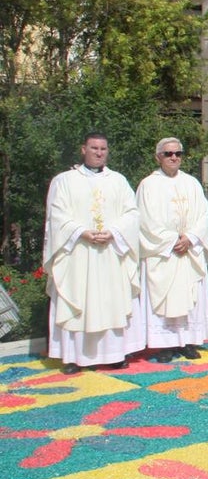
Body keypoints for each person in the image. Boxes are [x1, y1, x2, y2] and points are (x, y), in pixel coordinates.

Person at [44, 132, 143, 374]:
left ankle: (114, 353)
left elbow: (132, 214)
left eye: (103, 149)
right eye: (94, 148)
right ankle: (73, 357)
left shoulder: (118, 181)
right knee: (78, 300)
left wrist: (114, 232)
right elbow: (56, 215)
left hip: (110, 252)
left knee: (110, 300)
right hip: (78, 252)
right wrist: (81, 232)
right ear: (83, 149)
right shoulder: (65, 181)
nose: (99, 152)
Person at [136, 138, 208, 363]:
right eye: (168, 154)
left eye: (178, 153)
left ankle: (187, 341)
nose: (174, 157)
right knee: (164, 297)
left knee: (190, 295)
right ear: (158, 156)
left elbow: (203, 216)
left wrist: (190, 238)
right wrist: (171, 240)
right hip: (164, 253)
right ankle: (164, 345)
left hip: (188, 251)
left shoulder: (192, 183)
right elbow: (144, 220)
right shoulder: (148, 185)